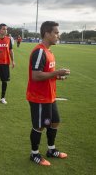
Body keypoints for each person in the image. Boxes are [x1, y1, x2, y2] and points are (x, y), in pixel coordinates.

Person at [26, 21, 70, 166]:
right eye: (56, 32)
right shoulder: (39, 51)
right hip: (39, 97)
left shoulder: (49, 51)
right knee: (40, 126)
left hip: (50, 96)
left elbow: (47, 73)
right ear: (47, 33)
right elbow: (36, 75)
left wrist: (57, 76)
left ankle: (51, 150)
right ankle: (34, 154)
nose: (58, 35)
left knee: (55, 121)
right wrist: (57, 72)